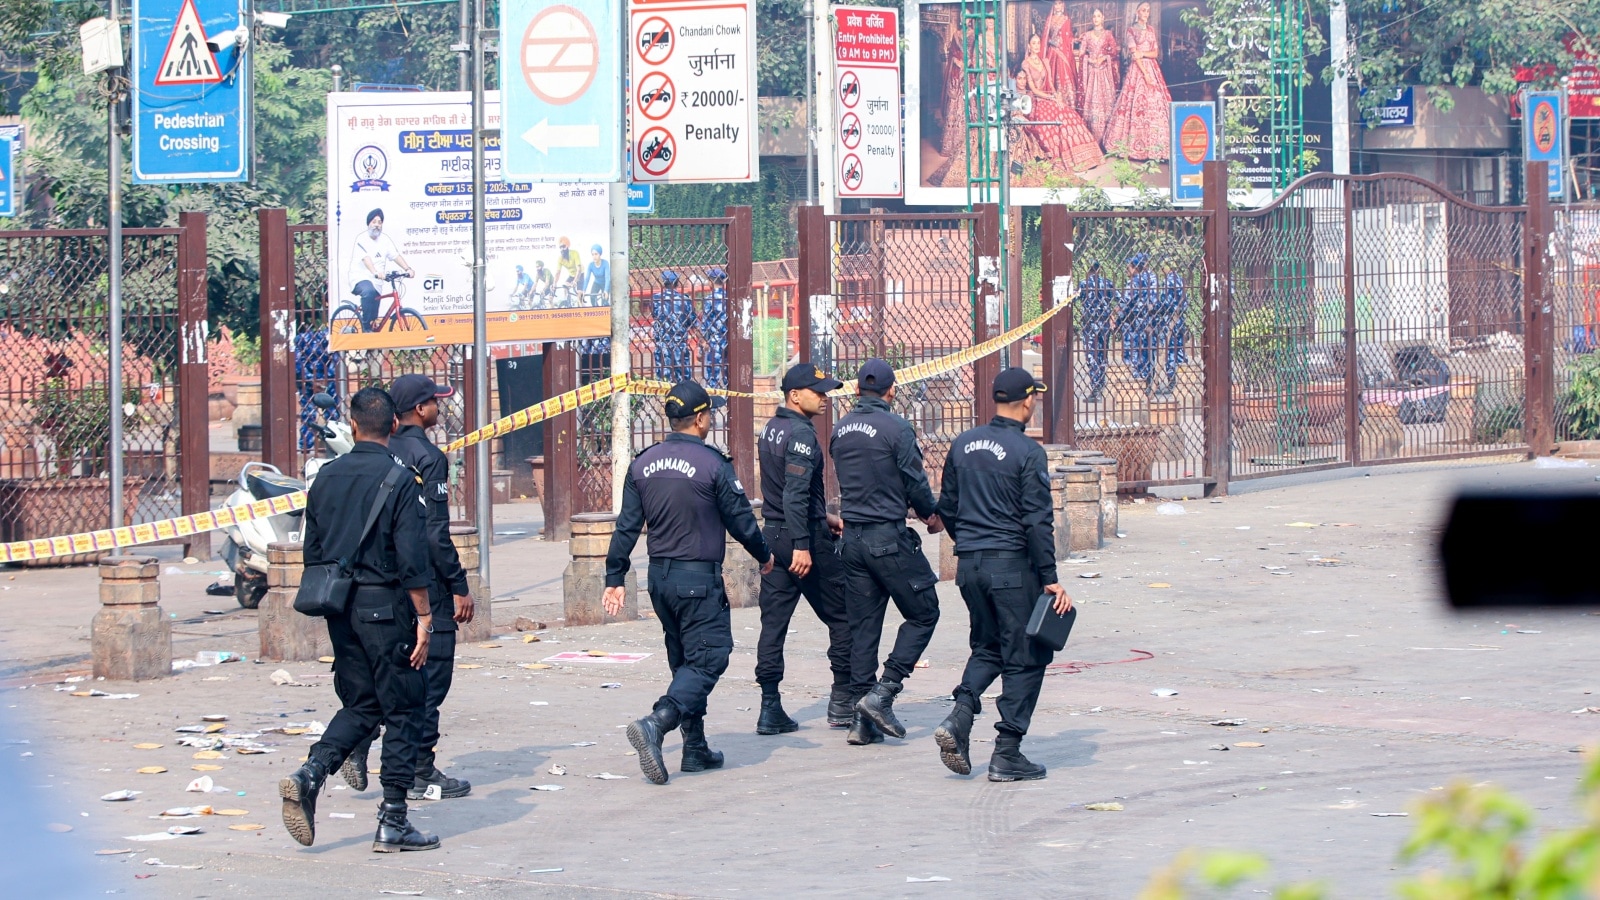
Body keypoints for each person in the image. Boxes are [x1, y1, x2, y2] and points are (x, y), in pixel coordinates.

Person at [278, 387, 439, 853]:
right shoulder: (399, 481)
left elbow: (313, 550)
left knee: (363, 705)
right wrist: (425, 618)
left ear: (352, 425)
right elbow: (412, 560)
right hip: (386, 608)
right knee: (405, 709)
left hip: (340, 609)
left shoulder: (325, 478)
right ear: (393, 426)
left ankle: (311, 773)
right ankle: (393, 819)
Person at [602, 381, 774, 784]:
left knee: (685, 660)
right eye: (709, 414)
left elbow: (627, 526)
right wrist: (765, 555)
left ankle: (694, 748)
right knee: (711, 655)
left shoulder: (643, 464)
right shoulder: (713, 463)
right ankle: (657, 722)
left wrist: (615, 576)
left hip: (659, 580)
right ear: (699, 418)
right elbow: (741, 519)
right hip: (697, 579)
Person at [338, 376, 476, 802]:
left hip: (378, 588)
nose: (439, 406)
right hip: (425, 586)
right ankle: (419, 768)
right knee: (430, 680)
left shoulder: (378, 452)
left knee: (388, 674)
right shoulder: (428, 457)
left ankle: (358, 743)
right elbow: (435, 534)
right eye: (435, 401)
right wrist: (459, 585)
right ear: (420, 409)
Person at [932, 368, 1073, 782]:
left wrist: (970, 544)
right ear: (1028, 401)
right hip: (1011, 567)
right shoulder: (1028, 452)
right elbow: (1036, 521)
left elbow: (949, 506)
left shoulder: (962, 443)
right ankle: (1007, 752)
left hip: (971, 566)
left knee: (989, 646)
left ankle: (960, 715)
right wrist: (1049, 576)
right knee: (1027, 656)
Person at [829, 359, 943, 746]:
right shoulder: (897, 427)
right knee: (925, 611)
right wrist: (931, 514)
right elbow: (914, 481)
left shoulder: (840, 429)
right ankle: (885, 691)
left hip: (852, 540)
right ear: (891, 391)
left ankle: (861, 722)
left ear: (858, 390)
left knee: (863, 629)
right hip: (888, 539)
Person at [754, 363, 853, 733]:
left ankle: (769, 707)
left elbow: (782, 493)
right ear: (794, 395)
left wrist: (827, 517)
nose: (824, 398)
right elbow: (794, 494)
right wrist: (803, 544)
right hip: (801, 539)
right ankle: (843, 700)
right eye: (817, 391)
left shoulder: (771, 429)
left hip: (775, 534)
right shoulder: (801, 434)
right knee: (843, 614)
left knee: (773, 625)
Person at [1015, 43, 1104, 173]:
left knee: (1067, 113)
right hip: (1036, 100)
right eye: (1033, 43)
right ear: (1029, 45)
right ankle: (1065, 157)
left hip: (1048, 96)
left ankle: (1086, 156)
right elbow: (1033, 89)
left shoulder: (1044, 61)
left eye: (1038, 43)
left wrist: (1056, 96)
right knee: (1053, 119)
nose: (1036, 45)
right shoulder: (1026, 63)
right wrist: (1050, 98)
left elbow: (1050, 83)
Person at [1102, 1, 1172, 160]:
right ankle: (1134, 147)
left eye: (1148, 11)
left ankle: (1157, 148)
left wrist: (1143, 54)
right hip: (1138, 71)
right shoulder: (1131, 31)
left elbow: (1155, 53)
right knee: (1134, 105)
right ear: (1137, 13)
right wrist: (1146, 74)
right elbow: (1134, 54)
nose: (1146, 13)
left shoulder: (1151, 30)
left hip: (1152, 67)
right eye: (1143, 10)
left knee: (1156, 105)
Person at [349, 209, 414, 331]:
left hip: (377, 282)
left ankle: (372, 330)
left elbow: (395, 256)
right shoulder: (361, 239)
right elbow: (366, 259)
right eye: (374, 222)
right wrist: (374, 272)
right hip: (360, 278)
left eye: (380, 222)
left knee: (374, 314)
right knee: (369, 291)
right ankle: (366, 328)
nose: (377, 225)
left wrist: (407, 268)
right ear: (368, 224)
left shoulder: (385, 240)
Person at [293, 326, 340, 452]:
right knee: (328, 412)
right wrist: (321, 380)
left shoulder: (301, 339)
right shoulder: (328, 336)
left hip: (312, 380)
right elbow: (336, 360)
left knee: (314, 413)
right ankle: (332, 442)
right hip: (320, 380)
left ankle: (307, 446)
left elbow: (297, 362)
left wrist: (310, 380)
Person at [1077, 9, 1120, 141]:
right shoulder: (1087, 35)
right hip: (1091, 73)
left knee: (1106, 102)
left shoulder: (1108, 34)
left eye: (1098, 16)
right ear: (1092, 19)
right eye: (1094, 16)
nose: (1096, 19)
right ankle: (1093, 137)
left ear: (1103, 18)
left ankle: (1108, 137)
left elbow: (1114, 52)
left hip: (1104, 73)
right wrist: (1089, 60)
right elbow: (1081, 53)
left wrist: (1103, 58)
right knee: (1091, 103)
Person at [1079, 260, 1118, 403]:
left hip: (1090, 324)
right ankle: (1101, 384)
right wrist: (1112, 313)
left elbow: (1072, 299)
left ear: (1088, 270)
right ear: (1099, 269)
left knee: (1091, 356)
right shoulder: (1107, 283)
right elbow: (1120, 299)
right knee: (1102, 355)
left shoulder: (1084, 284)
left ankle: (1096, 389)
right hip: (1104, 324)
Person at [1118, 253, 1157, 389]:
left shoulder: (1137, 280)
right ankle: (1146, 381)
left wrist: (1114, 314)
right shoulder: (1148, 278)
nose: (1127, 270)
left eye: (1129, 267)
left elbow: (1126, 300)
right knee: (1146, 351)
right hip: (1147, 318)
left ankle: (1140, 384)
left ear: (1135, 267)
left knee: (1138, 350)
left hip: (1138, 319)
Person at [653, 270, 696, 382]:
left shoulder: (656, 299)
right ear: (677, 282)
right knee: (683, 378)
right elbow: (692, 321)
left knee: (664, 379)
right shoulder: (684, 300)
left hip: (662, 342)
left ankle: (665, 398)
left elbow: (654, 315)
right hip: (679, 342)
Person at [1152, 270, 1189, 396]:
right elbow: (1185, 301)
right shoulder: (1180, 280)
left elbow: (1165, 303)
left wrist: (1156, 308)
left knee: (1170, 351)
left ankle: (1172, 381)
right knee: (1179, 350)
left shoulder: (1169, 281)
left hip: (1170, 320)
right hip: (1180, 320)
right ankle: (1184, 382)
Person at [1043, 1, 1081, 109]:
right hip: (1052, 52)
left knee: (1065, 75)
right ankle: (1053, 106)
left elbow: (1068, 37)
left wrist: (1075, 40)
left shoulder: (1066, 20)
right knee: (1051, 75)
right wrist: (1052, 42)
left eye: (1060, 3)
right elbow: (1046, 37)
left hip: (1063, 52)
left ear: (1063, 5)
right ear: (1053, 6)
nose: (1058, 6)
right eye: (1056, 4)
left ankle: (1068, 106)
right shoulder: (1049, 19)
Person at [702, 268, 730, 388]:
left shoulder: (710, 299)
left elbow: (706, 324)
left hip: (715, 341)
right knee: (729, 375)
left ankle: (712, 405)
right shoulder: (730, 297)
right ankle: (732, 402)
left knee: (712, 376)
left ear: (711, 281)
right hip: (729, 341)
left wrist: (703, 344)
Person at [553, 237, 582, 304]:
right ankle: (567, 302)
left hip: (580, 275)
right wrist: (554, 283)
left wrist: (575, 281)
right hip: (571, 275)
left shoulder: (575, 253)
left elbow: (579, 269)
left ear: (568, 246)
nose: (562, 249)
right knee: (565, 286)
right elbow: (558, 272)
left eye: (563, 246)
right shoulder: (560, 259)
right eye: (560, 247)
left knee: (579, 298)